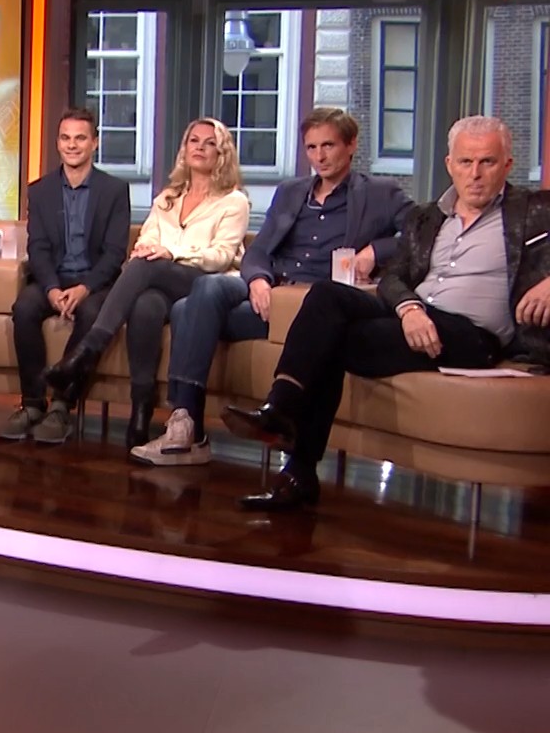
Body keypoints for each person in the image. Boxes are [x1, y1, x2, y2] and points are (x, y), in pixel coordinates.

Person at [227, 116, 550, 511]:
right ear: (450, 165)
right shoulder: (429, 217)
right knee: (326, 295)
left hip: (472, 334)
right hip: (414, 311)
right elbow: (395, 276)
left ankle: (296, 464)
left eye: (487, 162)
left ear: (507, 165)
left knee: (330, 341)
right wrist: (409, 307)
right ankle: (280, 409)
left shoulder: (534, 211)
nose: (476, 174)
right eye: (466, 162)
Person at [132, 107, 411, 466]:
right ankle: (184, 423)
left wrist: (375, 250)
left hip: (315, 304)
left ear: (351, 145)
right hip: (273, 290)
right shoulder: (292, 191)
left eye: (328, 146)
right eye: (311, 148)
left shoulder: (380, 192)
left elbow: (422, 232)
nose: (320, 157)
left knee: (186, 310)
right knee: (206, 289)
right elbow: (259, 250)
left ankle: (191, 433)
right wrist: (258, 279)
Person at [43, 118, 251, 449]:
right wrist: (148, 248)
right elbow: (147, 237)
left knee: (144, 266)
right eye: (193, 140)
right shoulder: (168, 197)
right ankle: (141, 410)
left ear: (222, 152)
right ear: (184, 148)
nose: (199, 147)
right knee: (145, 304)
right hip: (161, 282)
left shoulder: (233, 201)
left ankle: (86, 351)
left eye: (209, 142)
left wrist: (170, 252)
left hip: (205, 284)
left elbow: (221, 256)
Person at [0, 106, 130, 445]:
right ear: (57, 143)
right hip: (53, 279)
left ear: (94, 143)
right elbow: (38, 248)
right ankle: (32, 403)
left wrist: (85, 288)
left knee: (91, 314)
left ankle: (61, 405)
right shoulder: (40, 191)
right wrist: (52, 289)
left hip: (95, 283)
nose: (72, 145)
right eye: (65, 138)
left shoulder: (115, 191)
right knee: (24, 309)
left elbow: (115, 253)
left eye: (80, 138)